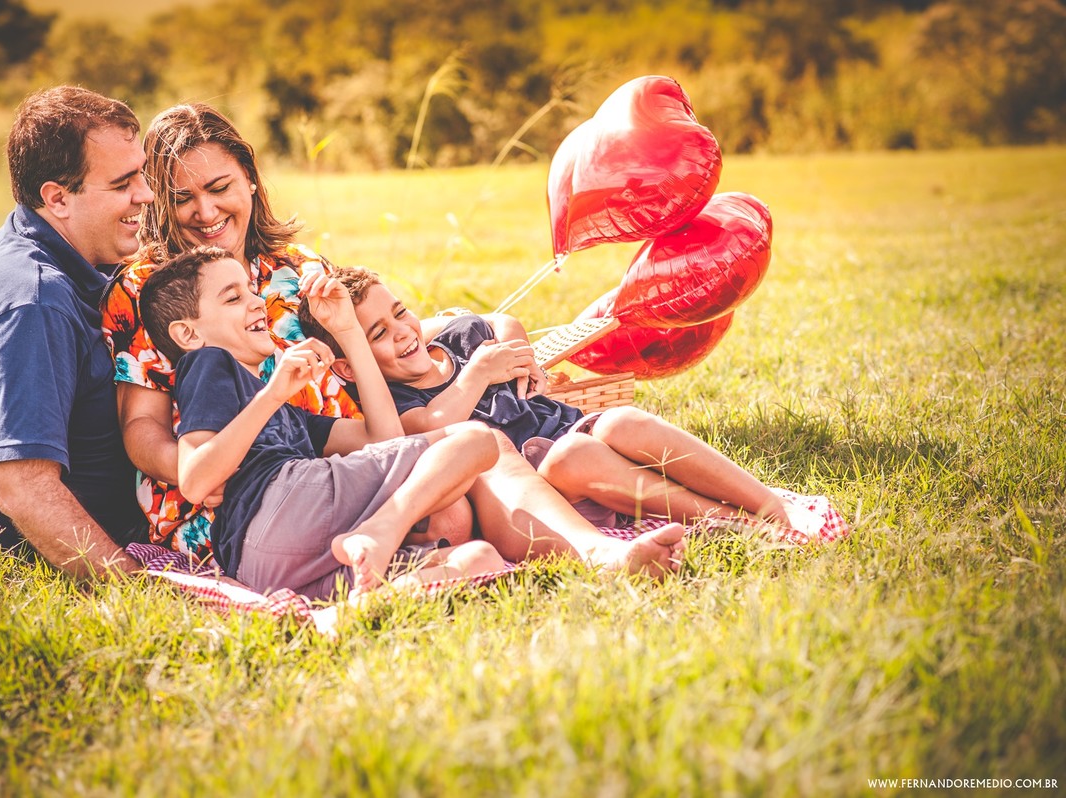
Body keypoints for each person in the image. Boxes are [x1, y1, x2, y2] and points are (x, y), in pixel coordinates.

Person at [103, 102, 687, 578]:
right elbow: (141, 429)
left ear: (250, 181)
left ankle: (557, 553)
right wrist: (202, 470)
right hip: (237, 496)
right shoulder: (149, 289)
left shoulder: (296, 267)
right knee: (469, 457)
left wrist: (488, 326)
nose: (204, 211)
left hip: (342, 456)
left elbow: (380, 330)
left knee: (458, 502)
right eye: (182, 198)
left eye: (219, 187)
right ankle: (594, 551)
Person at [299, 266, 798, 530]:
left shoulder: (458, 337)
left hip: (568, 425)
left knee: (623, 420)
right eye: (379, 334)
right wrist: (477, 376)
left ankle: (767, 504)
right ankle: (725, 520)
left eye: (401, 313)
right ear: (349, 366)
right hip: (539, 483)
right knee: (578, 456)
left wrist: (521, 351)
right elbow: (432, 421)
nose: (402, 333)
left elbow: (496, 322)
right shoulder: (393, 402)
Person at [138, 246, 505, 599]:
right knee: (474, 438)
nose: (255, 302)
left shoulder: (288, 414)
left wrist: (348, 331)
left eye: (251, 290)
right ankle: (383, 530)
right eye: (233, 298)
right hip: (280, 505)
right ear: (188, 334)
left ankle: (350, 607)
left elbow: (384, 438)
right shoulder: (209, 363)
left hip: (267, 568)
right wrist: (272, 395)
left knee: (477, 560)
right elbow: (196, 480)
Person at [0, 86, 151, 578]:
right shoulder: (33, 301)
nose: (146, 194)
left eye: (143, 174)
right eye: (122, 183)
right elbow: (23, 489)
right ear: (58, 198)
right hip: (41, 547)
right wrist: (133, 586)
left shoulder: (52, 248)